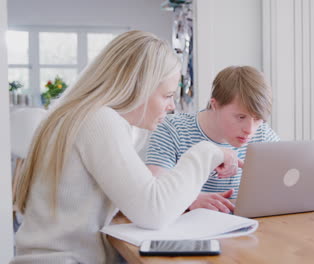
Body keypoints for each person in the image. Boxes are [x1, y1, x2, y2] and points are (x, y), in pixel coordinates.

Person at [11, 30, 241, 264]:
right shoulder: (98, 119)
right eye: (167, 95)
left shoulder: (78, 114)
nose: (171, 106)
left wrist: (187, 196)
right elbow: (154, 211)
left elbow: (138, 193)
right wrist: (207, 151)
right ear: (138, 87)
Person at [146, 66, 280, 214]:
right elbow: (155, 189)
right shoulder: (172, 129)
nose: (250, 130)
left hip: (243, 226)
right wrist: (191, 199)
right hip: (188, 226)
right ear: (214, 105)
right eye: (241, 117)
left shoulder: (263, 135)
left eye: (257, 119)